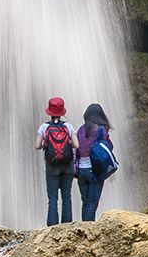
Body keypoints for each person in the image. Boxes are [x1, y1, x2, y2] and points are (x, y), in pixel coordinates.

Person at [35, 96, 79, 226]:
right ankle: (67, 226)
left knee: (52, 198)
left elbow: (37, 146)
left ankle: (52, 226)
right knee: (67, 196)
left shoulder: (44, 127)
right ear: (62, 112)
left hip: (51, 165)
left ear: (49, 112)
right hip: (67, 165)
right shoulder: (68, 126)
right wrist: (67, 144)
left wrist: (46, 145)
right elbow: (77, 145)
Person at [76, 103, 112, 221]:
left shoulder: (80, 130)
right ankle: (89, 229)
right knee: (92, 204)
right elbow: (108, 147)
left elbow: (76, 150)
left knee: (85, 202)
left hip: (81, 170)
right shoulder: (101, 129)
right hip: (95, 170)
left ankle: (83, 228)